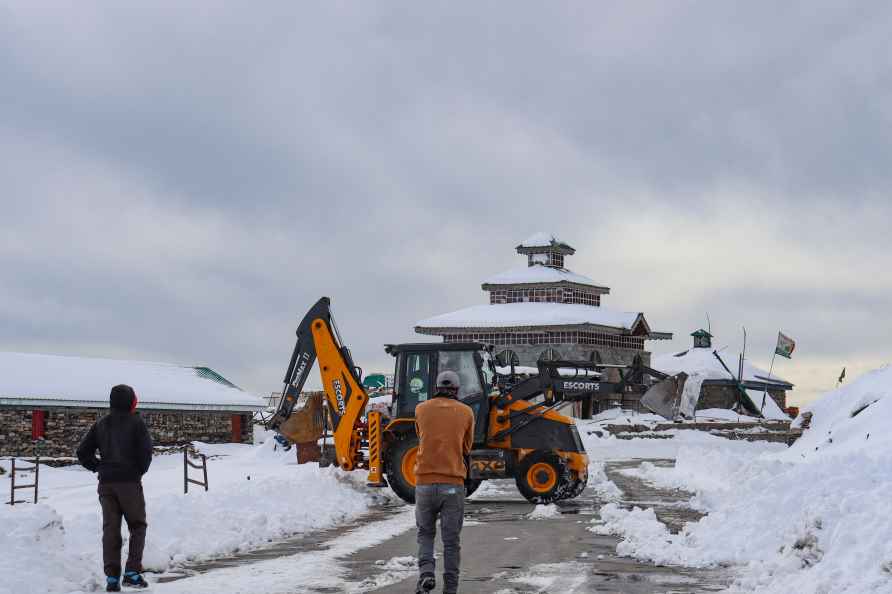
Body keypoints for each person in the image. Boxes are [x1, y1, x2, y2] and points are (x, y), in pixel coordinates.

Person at [77, 384, 153, 592]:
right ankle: (131, 573)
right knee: (137, 526)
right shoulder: (136, 423)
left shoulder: (101, 424)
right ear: (131, 401)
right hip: (129, 483)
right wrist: (137, 471)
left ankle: (112, 579)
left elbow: (82, 452)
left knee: (111, 529)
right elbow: (146, 453)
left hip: (106, 484)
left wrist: (99, 467)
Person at [413, 370, 475, 594]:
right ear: (457, 389)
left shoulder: (421, 409)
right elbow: (467, 448)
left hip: (425, 483)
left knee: (425, 534)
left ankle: (427, 573)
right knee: (451, 541)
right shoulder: (466, 412)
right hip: (453, 483)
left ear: (436, 386)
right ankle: (450, 589)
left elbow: (420, 435)